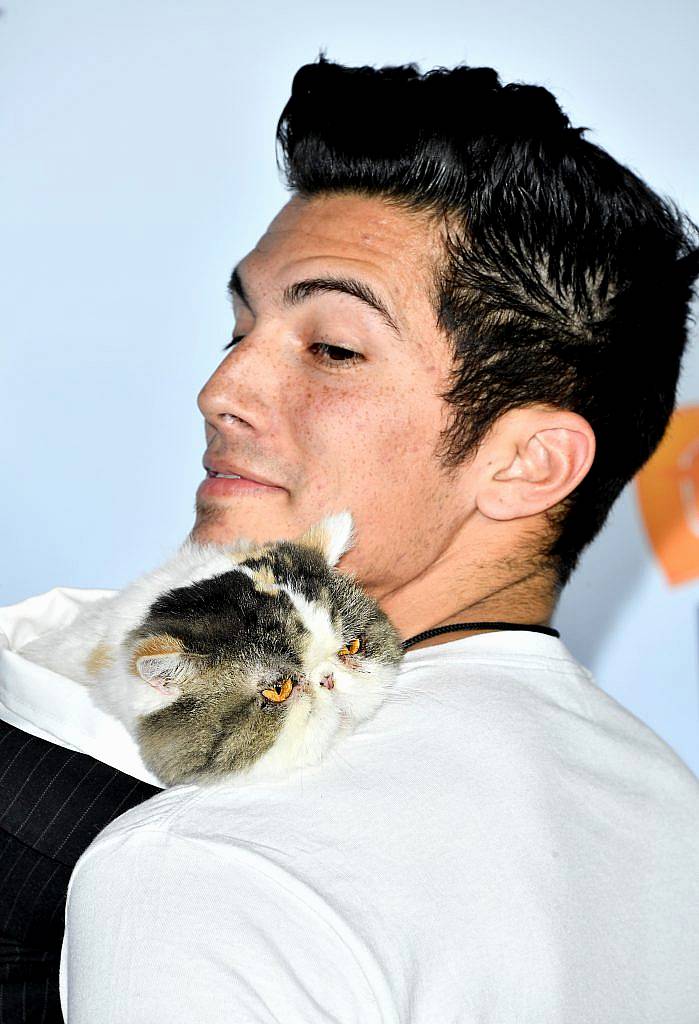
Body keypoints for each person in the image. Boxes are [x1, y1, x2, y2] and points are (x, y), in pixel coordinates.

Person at [2, 54, 698, 1023]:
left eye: (331, 348)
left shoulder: (213, 868)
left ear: (530, 463)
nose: (223, 391)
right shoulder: (665, 803)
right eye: (236, 329)